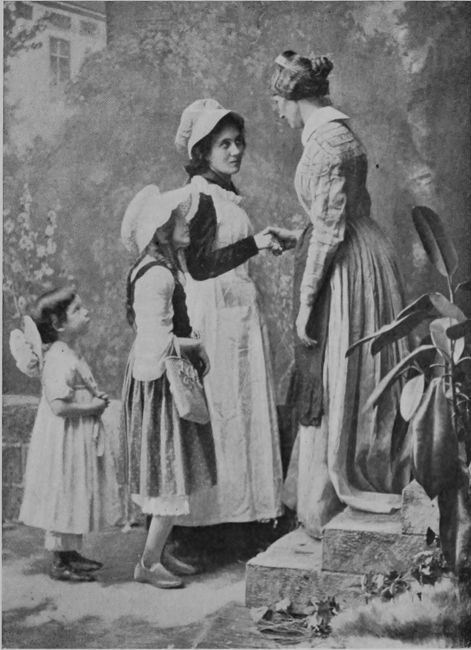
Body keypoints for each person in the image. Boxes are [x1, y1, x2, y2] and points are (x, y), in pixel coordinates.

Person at [267, 51, 411, 538]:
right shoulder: (338, 135)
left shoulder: (326, 145)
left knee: (339, 370)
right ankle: (329, 486)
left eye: (279, 101)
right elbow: (333, 215)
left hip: (347, 267)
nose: (278, 112)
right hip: (364, 251)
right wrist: (298, 235)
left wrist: (306, 305)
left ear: (295, 98)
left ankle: (328, 496)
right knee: (351, 372)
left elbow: (330, 231)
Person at [173, 99, 283, 527]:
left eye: (238, 142)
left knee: (242, 407)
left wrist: (260, 244)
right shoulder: (200, 196)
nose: (236, 151)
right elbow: (199, 267)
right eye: (224, 144)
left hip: (236, 311)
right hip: (213, 314)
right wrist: (254, 244)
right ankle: (206, 524)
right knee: (221, 409)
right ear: (203, 151)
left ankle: (243, 516)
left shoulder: (225, 196)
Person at [120, 184, 217, 588]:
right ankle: (147, 563)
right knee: (167, 474)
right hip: (160, 384)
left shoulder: (161, 269)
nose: (187, 224)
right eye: (178, 220)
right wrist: (196, 345)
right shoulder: (156, 275)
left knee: (172, 469)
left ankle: (159, 551)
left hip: (163, 377)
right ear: (161, 231)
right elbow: (155, 342)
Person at [17, 287, 111, 581]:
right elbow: (58, 406)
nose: (87, 313)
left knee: (73, 490)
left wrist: (94, 395)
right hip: (63, 438)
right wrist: (93, 406)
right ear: (58, 324)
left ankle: (69, 553)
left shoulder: (68, 352)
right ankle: (60, 562)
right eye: (77, 310)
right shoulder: (58, 358)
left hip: (73, 436)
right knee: (63, 490)